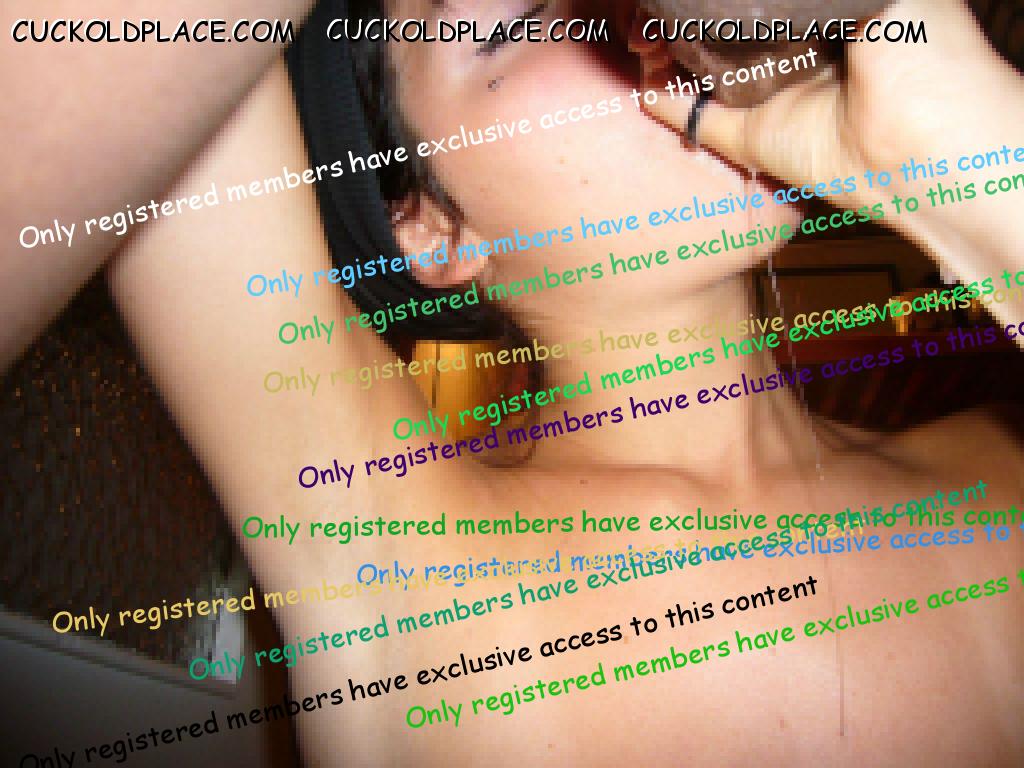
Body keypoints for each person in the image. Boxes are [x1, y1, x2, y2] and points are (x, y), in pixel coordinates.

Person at [8, 0, 1024, 763]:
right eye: (522, 21)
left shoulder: (999, 473)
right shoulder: (392, 559)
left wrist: (978, 167)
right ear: (432, 230)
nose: (638, 22)